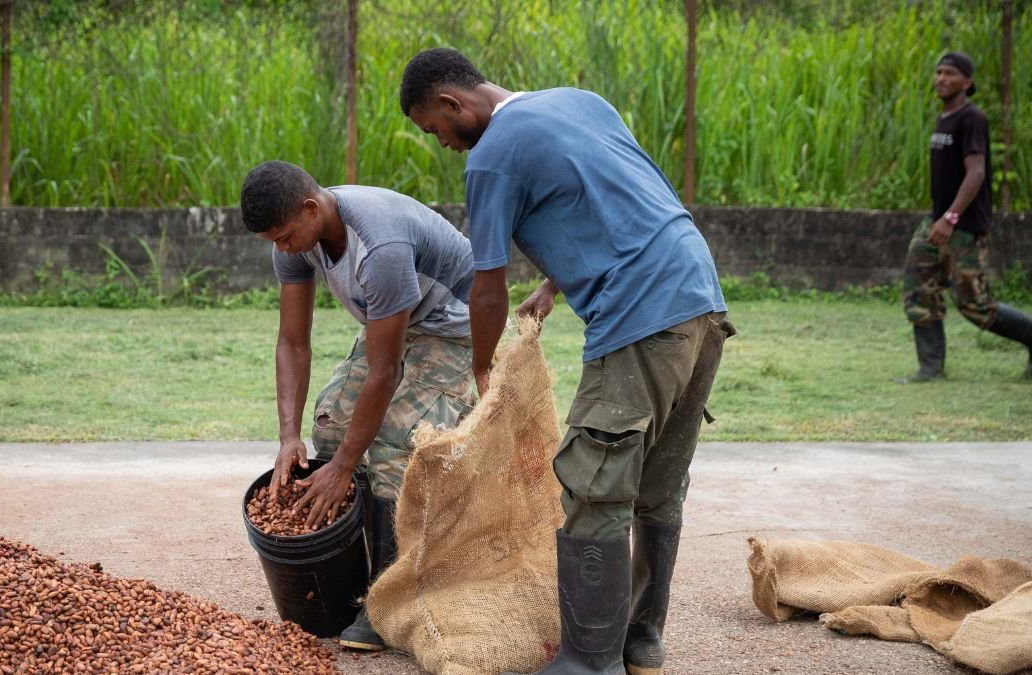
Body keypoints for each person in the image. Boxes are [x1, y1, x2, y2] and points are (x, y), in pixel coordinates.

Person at [400, 48, 733, 675]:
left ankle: (588, 658)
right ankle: (640, 639)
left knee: (593, 486)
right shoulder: (580, 102)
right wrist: (554, 285)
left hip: (640, 315)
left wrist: (483, 371)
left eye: (434, 129)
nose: (441, 143)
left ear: (452, 104)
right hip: (700, 298)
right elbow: (621, 202)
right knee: (658, 483)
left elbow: (487, 283)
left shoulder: (492, 157)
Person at [239, 160, 475, 650]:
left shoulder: (380, 246)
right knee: (329, 427)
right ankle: (355, 578)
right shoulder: (298, 234)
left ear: (310, 208)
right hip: (392, 323)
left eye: (283, 238)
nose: (281, 250)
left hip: (453, 329)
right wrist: (289, 436)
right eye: (273, 243)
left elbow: (385, 373)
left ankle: (386, 599)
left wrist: (346, 466)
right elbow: (292, 343)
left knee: (392, 443)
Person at [897, 51, 1032, 383]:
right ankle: (930, 368)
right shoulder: (945, 118)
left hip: (962, 226)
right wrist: (938, 219)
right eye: (938, 72)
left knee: (975, 304)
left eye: (950, 74)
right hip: (936, 221)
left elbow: (976, 173)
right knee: (919, 288)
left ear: (967, 82)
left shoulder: (971, 118)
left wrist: (951, 218)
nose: (941, 78)